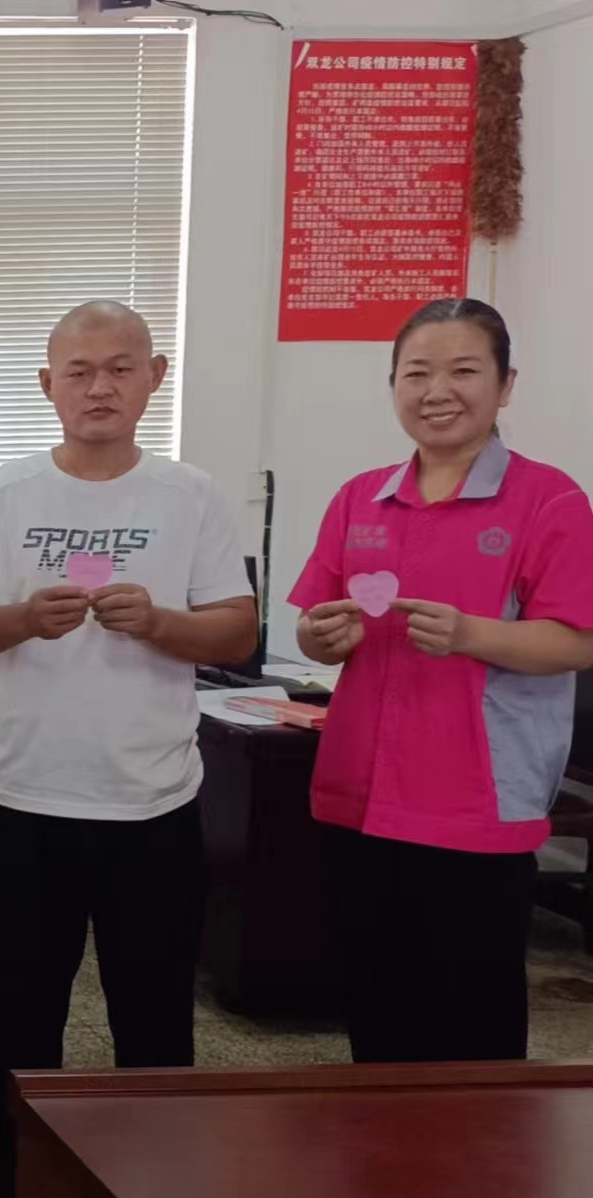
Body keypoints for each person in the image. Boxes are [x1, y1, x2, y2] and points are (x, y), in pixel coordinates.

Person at [0, 301, 257, 1198]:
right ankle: (5, 1185)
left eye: (120, 368)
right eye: (79, 371)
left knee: (154, 1027)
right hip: (27, 802)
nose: (100, 387)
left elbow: (237, 633)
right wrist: (20, 620)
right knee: (24, 1023)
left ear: (155, 378)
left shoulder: (192, 496)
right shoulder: (5, 492)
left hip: (152, 808)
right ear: (49, 385)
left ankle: (154, 1184)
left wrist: (158, 622)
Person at [290, 298, 593, 1065]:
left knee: (471, 1031)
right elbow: (309, 628)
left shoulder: (549, 499)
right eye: (417, 373)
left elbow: (577, 642)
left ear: (505, 384)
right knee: (375, 1013)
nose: (437, 391)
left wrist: (469, 635)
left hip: (475, 801)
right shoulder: (360, 498)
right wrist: (320, 637)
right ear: (393, 384)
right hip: (362, 797)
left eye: (463, 371)